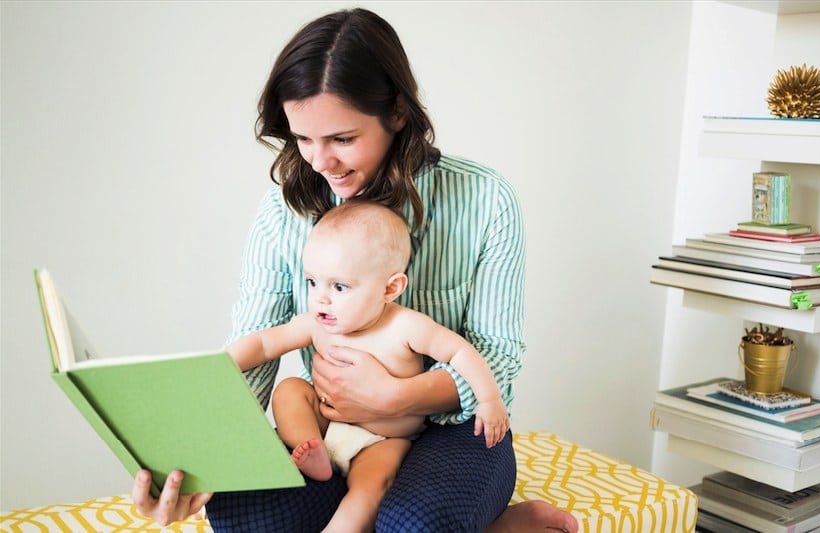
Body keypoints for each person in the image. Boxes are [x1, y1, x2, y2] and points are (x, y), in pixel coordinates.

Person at [132, 7, 579, 533]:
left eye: (342, 138)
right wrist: (198, 458)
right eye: (303, 139)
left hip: (449, 429)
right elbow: (254, 347)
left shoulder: (486, 200)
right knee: (241, 513)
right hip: (332, 428)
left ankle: (497, 521)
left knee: (414, 523)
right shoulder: (283, 212)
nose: (320, 161)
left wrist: (397, 395)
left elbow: (497, 360)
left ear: (396, 112)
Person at [226, 199, 510, 532]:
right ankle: (310, 448)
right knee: (290, 391)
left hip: (381, 440)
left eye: (339, 286)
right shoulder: (318, 322)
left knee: (370, 488)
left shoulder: (405, 327)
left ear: (391, 288)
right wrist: (224, 363)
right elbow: (264, 343)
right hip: (325, 424)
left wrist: (489, 400)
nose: (321, 298)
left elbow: (461, 353)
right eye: (312, 282)